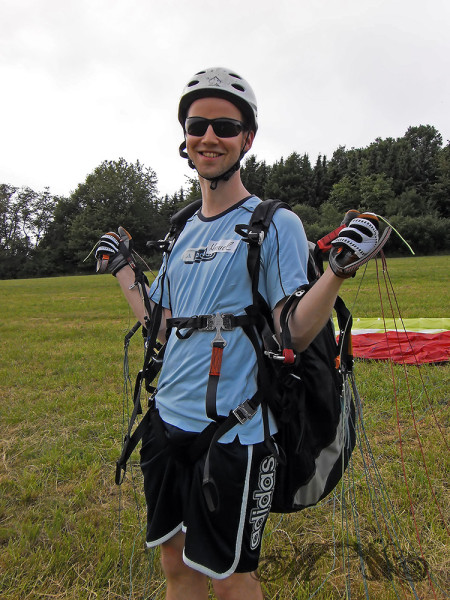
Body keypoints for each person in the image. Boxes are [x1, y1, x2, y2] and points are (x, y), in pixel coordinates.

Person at [95, 67, 381, 600]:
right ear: (184, 138)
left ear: (247, 139)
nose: (209, 137)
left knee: (230, 580)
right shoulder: (179, 231)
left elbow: (290, 330)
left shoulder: (275, 224)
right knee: (176, 564)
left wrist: (337, 271)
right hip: (165, 425)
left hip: (233, 433)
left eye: (225, 126)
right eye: (197, 125)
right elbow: (160, 330)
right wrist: (122, 272)